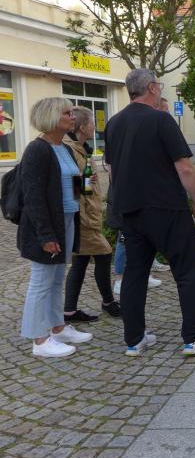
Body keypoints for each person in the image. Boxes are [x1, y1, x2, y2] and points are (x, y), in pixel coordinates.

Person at [105, 68, 195, 357]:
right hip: (166, 208)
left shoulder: (114, 123)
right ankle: (193, 338)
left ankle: (134, 340)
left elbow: (112, 170)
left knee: (134, 274)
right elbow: (184, 167)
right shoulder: (161, 119)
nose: (161, 90)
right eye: (160, 86)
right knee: (186, 271)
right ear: (152, 88)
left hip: (130, 210)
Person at [18, 98, 92, 357]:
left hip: (67, 220)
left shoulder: (64, 148)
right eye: (67, 113)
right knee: (41, 280)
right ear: (51, 116)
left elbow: (71, 186)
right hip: (48, 226)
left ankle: (57, 328)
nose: (72, 116)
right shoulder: (37, 150)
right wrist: (46, 235)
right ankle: (39, 340)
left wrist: (85, 183)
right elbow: (33, 197)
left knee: (57, 278)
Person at [63, 106, 120, 322]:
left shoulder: (80, 148)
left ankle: (69, 311)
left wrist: (87, 181)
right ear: (83, 126)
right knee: (104, 253)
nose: (95, 126)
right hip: (83, 217)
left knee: (80, 262)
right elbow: (72, 187)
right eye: (92, 122)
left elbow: (80, 184)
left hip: (86, 214)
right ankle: (108, 302)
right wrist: (85, 182)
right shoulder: (71, 150)